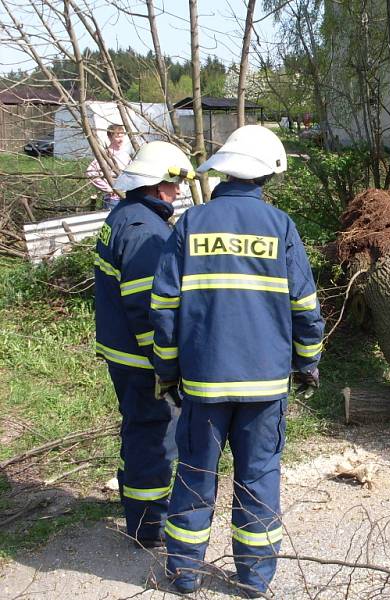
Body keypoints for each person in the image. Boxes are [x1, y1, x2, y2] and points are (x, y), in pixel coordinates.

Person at [150, 125, 325, 595]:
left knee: (195, 473)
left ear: (224, 171)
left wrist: (167, 372)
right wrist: (307, 363)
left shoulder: (190, 224)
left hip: (204, 384)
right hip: (265, 386)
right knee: (259, 476)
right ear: (266, 174)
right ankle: (254, 578)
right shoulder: (280, 227)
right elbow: (306, 308)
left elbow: (164, 309)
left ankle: (184, 572)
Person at [94, 141, 195, 547]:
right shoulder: (145, 232)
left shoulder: (123, 216)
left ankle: (142, 516)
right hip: (141, 360)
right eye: (172, 186)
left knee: (141, 430)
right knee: (153, 437)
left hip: (123, 353)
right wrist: (165, 363)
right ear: (155, 186)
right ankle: (150, 526)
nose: (177, 193)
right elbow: (147, 307)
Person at [86, 124, 132, 210]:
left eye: (122, 135)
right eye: (117, 136)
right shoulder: (105, 155)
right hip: (112, 200)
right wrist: (109, 189)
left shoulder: (126, 155)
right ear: (110, 137)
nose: (120, 138)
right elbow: (90, 172)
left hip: (126, 198)